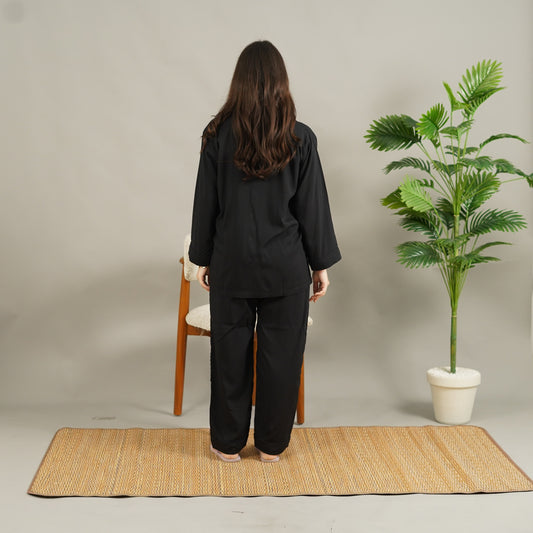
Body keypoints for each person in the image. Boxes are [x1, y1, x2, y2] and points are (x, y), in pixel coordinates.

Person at [189, 40, 341, 463]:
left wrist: (202, 258)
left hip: (231, 264)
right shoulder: (300, 137)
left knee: (229, 356)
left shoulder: (217, 135)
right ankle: (272, 447)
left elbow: (206, 203)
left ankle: (227, 444)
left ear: (238, 82)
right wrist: (320, 265)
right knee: (282, 357)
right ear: (281, 83)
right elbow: (312, 208)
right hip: (285, 267)